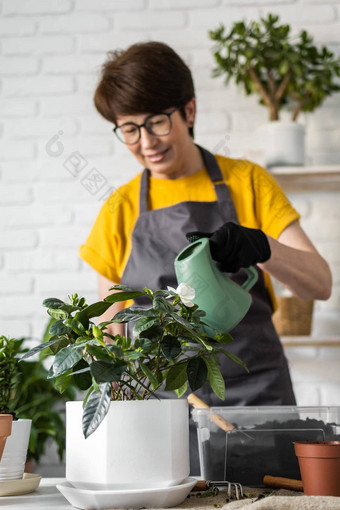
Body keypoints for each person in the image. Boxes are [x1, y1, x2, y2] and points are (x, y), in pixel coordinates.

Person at [79, 41, 332, 474]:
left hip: (259, 399)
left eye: (157, 122)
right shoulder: (119, 210)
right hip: (165, 409)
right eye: (129, 129)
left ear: (189, 111)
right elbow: (112, 326)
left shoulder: (248, 181)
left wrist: (262, 247)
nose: (146, 142)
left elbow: (319, 283)